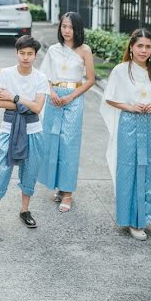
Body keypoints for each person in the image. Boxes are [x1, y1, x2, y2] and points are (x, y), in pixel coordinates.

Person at [100, 29, 151, 241]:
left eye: (148, 46)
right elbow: (110, 98)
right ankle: (132, 220)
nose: (144, 50)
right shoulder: (121, 70)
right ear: (131, 47)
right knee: (129, 168)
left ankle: (146, 216)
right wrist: (130, 107)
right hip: (129, 123)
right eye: (140, 46)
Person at [0, 35, 49, 234]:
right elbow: (0, 103)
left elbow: (38, 108)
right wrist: (26, 103)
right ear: (16, 53)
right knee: (1, 171)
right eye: (22, 53)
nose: (26, 57)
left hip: (33, 131)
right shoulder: (6, 74)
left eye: (30, 54)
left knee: (30, 172)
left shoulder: (41, 78)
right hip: (8, 129)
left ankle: (24, 210)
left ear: (35, 56)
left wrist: (15, 97)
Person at [37, 12, 95, 212]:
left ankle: (68, 192)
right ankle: (59, 187)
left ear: (77, 29)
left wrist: (72, 96)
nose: (67, 31)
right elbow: (44, 76)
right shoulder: (53, 50)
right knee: (54, 142)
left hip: (74, 98)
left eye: (70, 27)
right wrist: (51, 92)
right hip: (54, 99)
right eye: (63, 26)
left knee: (69, 144)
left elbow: (90, 80)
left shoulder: (84, 50)